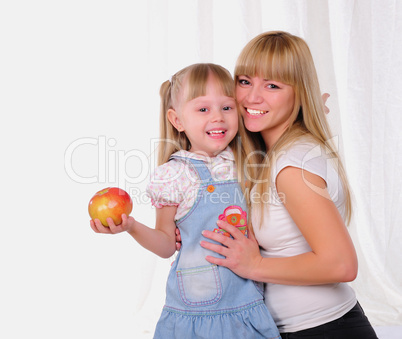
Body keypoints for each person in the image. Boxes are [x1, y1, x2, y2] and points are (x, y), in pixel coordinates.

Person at [199, 32, 378, 338]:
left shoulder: (291, 165)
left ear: (299, 94)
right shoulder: (283, 151)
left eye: (273, 85)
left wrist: (253, 265)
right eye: (244, 81)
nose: (252, 98)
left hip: (323, 330)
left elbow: (340, 264)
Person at [90, 63, 281, 339]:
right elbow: (167, 245)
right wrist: (131, 226)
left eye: (226, 108)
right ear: (177, 119)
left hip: (248, 304)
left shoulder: (245, 159)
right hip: (198, 315)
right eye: (203, 109)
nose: (217, 117)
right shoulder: (174, 175)